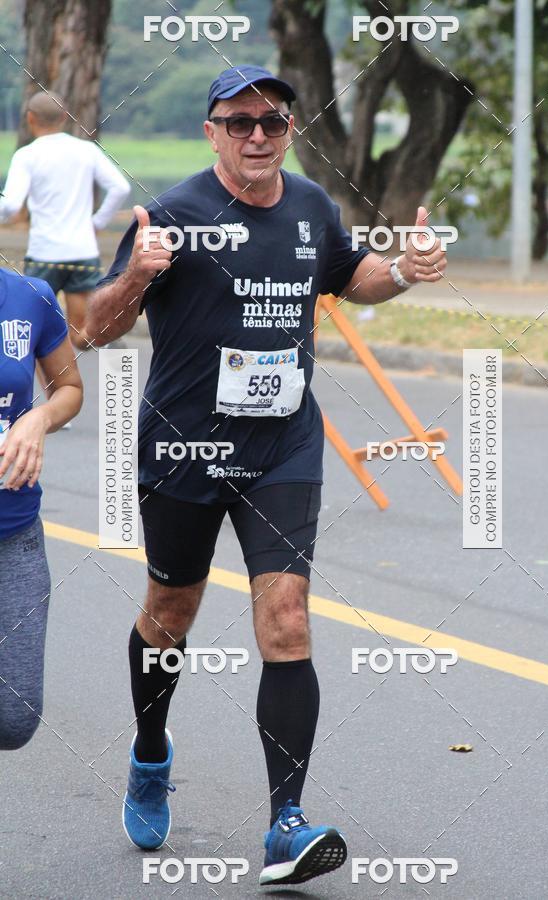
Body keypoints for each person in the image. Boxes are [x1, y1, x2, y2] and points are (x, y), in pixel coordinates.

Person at [87, 64, 447, 886]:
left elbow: (354, 279)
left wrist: (406, 269)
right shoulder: (171, 215)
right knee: (170, 611)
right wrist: (140, 271)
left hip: (283, 448)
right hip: (184, 448)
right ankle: (149, 755)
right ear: (211, 130)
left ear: (292, 130)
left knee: (286, 618)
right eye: (239, 121)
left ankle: (285, 824)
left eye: (273, 122)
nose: (257, 135)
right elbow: (97, 332)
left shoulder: (313, 207)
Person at [0, 267, 82, 749]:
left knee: (15, 718)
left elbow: (69, 389)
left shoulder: (31, 297)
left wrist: (38, 417)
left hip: (15, 530)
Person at [0, 91, 130, 350]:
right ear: (64, 117)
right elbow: (121, 188)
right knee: (82, 334)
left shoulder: (27, 155)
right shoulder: (86, 150)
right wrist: (97, 223)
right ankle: (112, 358)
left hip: (44, 255)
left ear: (30, 118)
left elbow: (12, 204)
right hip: (82, 253)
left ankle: (56, 387)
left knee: (36, 335)